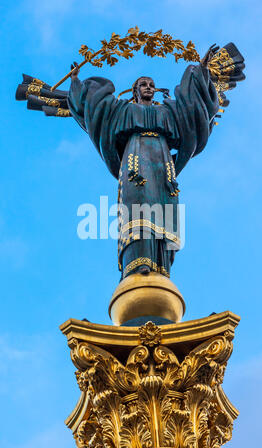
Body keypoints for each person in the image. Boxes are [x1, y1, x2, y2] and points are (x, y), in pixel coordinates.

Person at [67, 45, 220, 280]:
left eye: (151, 85)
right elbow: (94, 108)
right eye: (143, 85)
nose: (148, 88)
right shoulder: (123, 110)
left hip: (163, 164)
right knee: (138, 208)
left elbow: (192, 105)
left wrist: (201, 70)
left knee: (164, 209)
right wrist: (76, 82)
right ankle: (137, 263)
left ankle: (162, 267)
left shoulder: (168, 112)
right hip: (135, 161)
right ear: (135, 90)